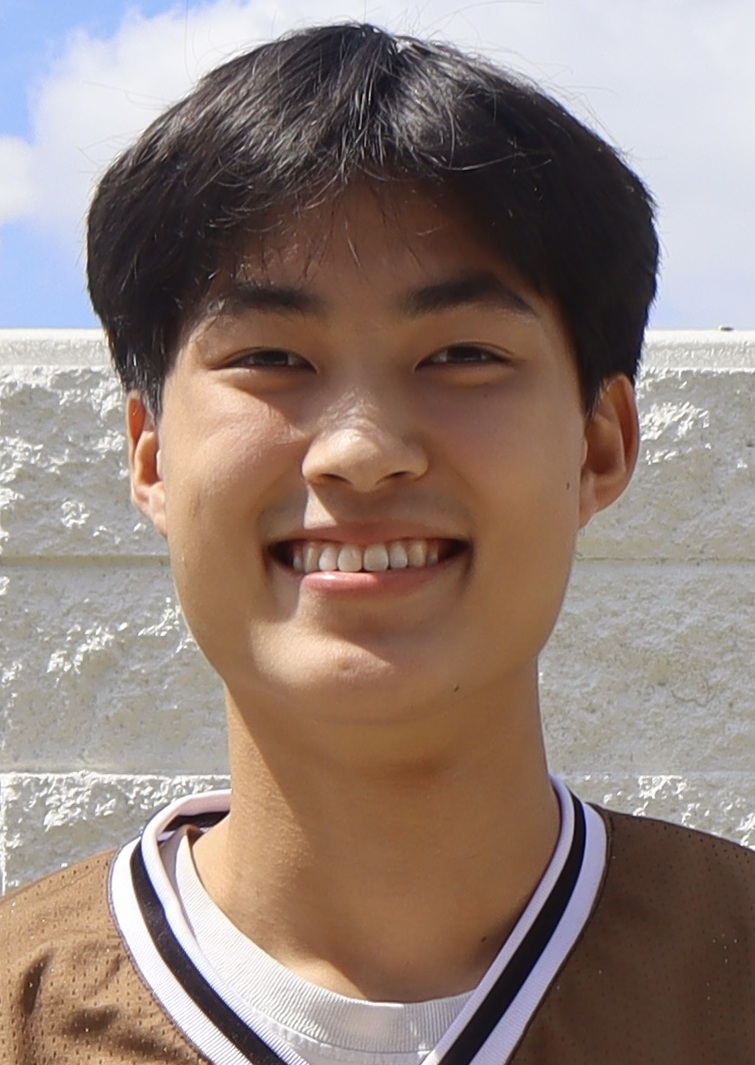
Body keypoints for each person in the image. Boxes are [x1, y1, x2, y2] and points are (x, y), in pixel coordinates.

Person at [1, 22, 753, 1065]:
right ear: (151, 455)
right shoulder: (26, 1008)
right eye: (268, 356)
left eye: (459, 354)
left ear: (598, 444)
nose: (358, 452)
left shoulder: (724, 970)